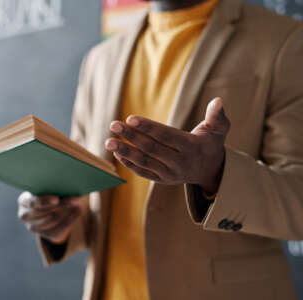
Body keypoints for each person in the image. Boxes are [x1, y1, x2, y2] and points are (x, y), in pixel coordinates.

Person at [17, 0, 303, 298]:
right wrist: (57, 219)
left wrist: (217, 174)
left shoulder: (284, 41)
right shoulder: (99, 61)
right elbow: (85, 199)